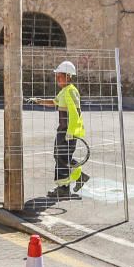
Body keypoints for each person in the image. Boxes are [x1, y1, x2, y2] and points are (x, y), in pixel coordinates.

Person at [32, 61, 89, 199]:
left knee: (62, 157)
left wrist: (71, 131)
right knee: (61, 157)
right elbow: (54, 102)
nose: (57, 79)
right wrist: (39, 101)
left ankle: (64, 189)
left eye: (60, 76)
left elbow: (76, 112)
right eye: (56, 76)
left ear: (68, 76)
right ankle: (79, 176)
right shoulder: (64, 91)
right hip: (62, 130)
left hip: (68, 132)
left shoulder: (71, 91)